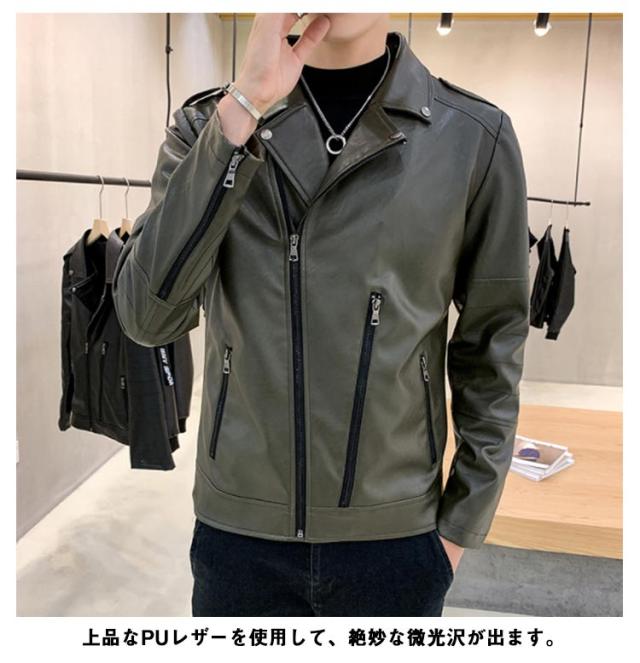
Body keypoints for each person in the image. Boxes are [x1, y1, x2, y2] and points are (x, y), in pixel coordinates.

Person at [112, 13, 530, 616]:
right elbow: (145, 317)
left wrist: (460, 528)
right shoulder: (207, 126)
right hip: (240, 535)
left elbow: (494, 344)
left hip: (396, 537)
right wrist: (244, 110)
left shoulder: (472, 137)